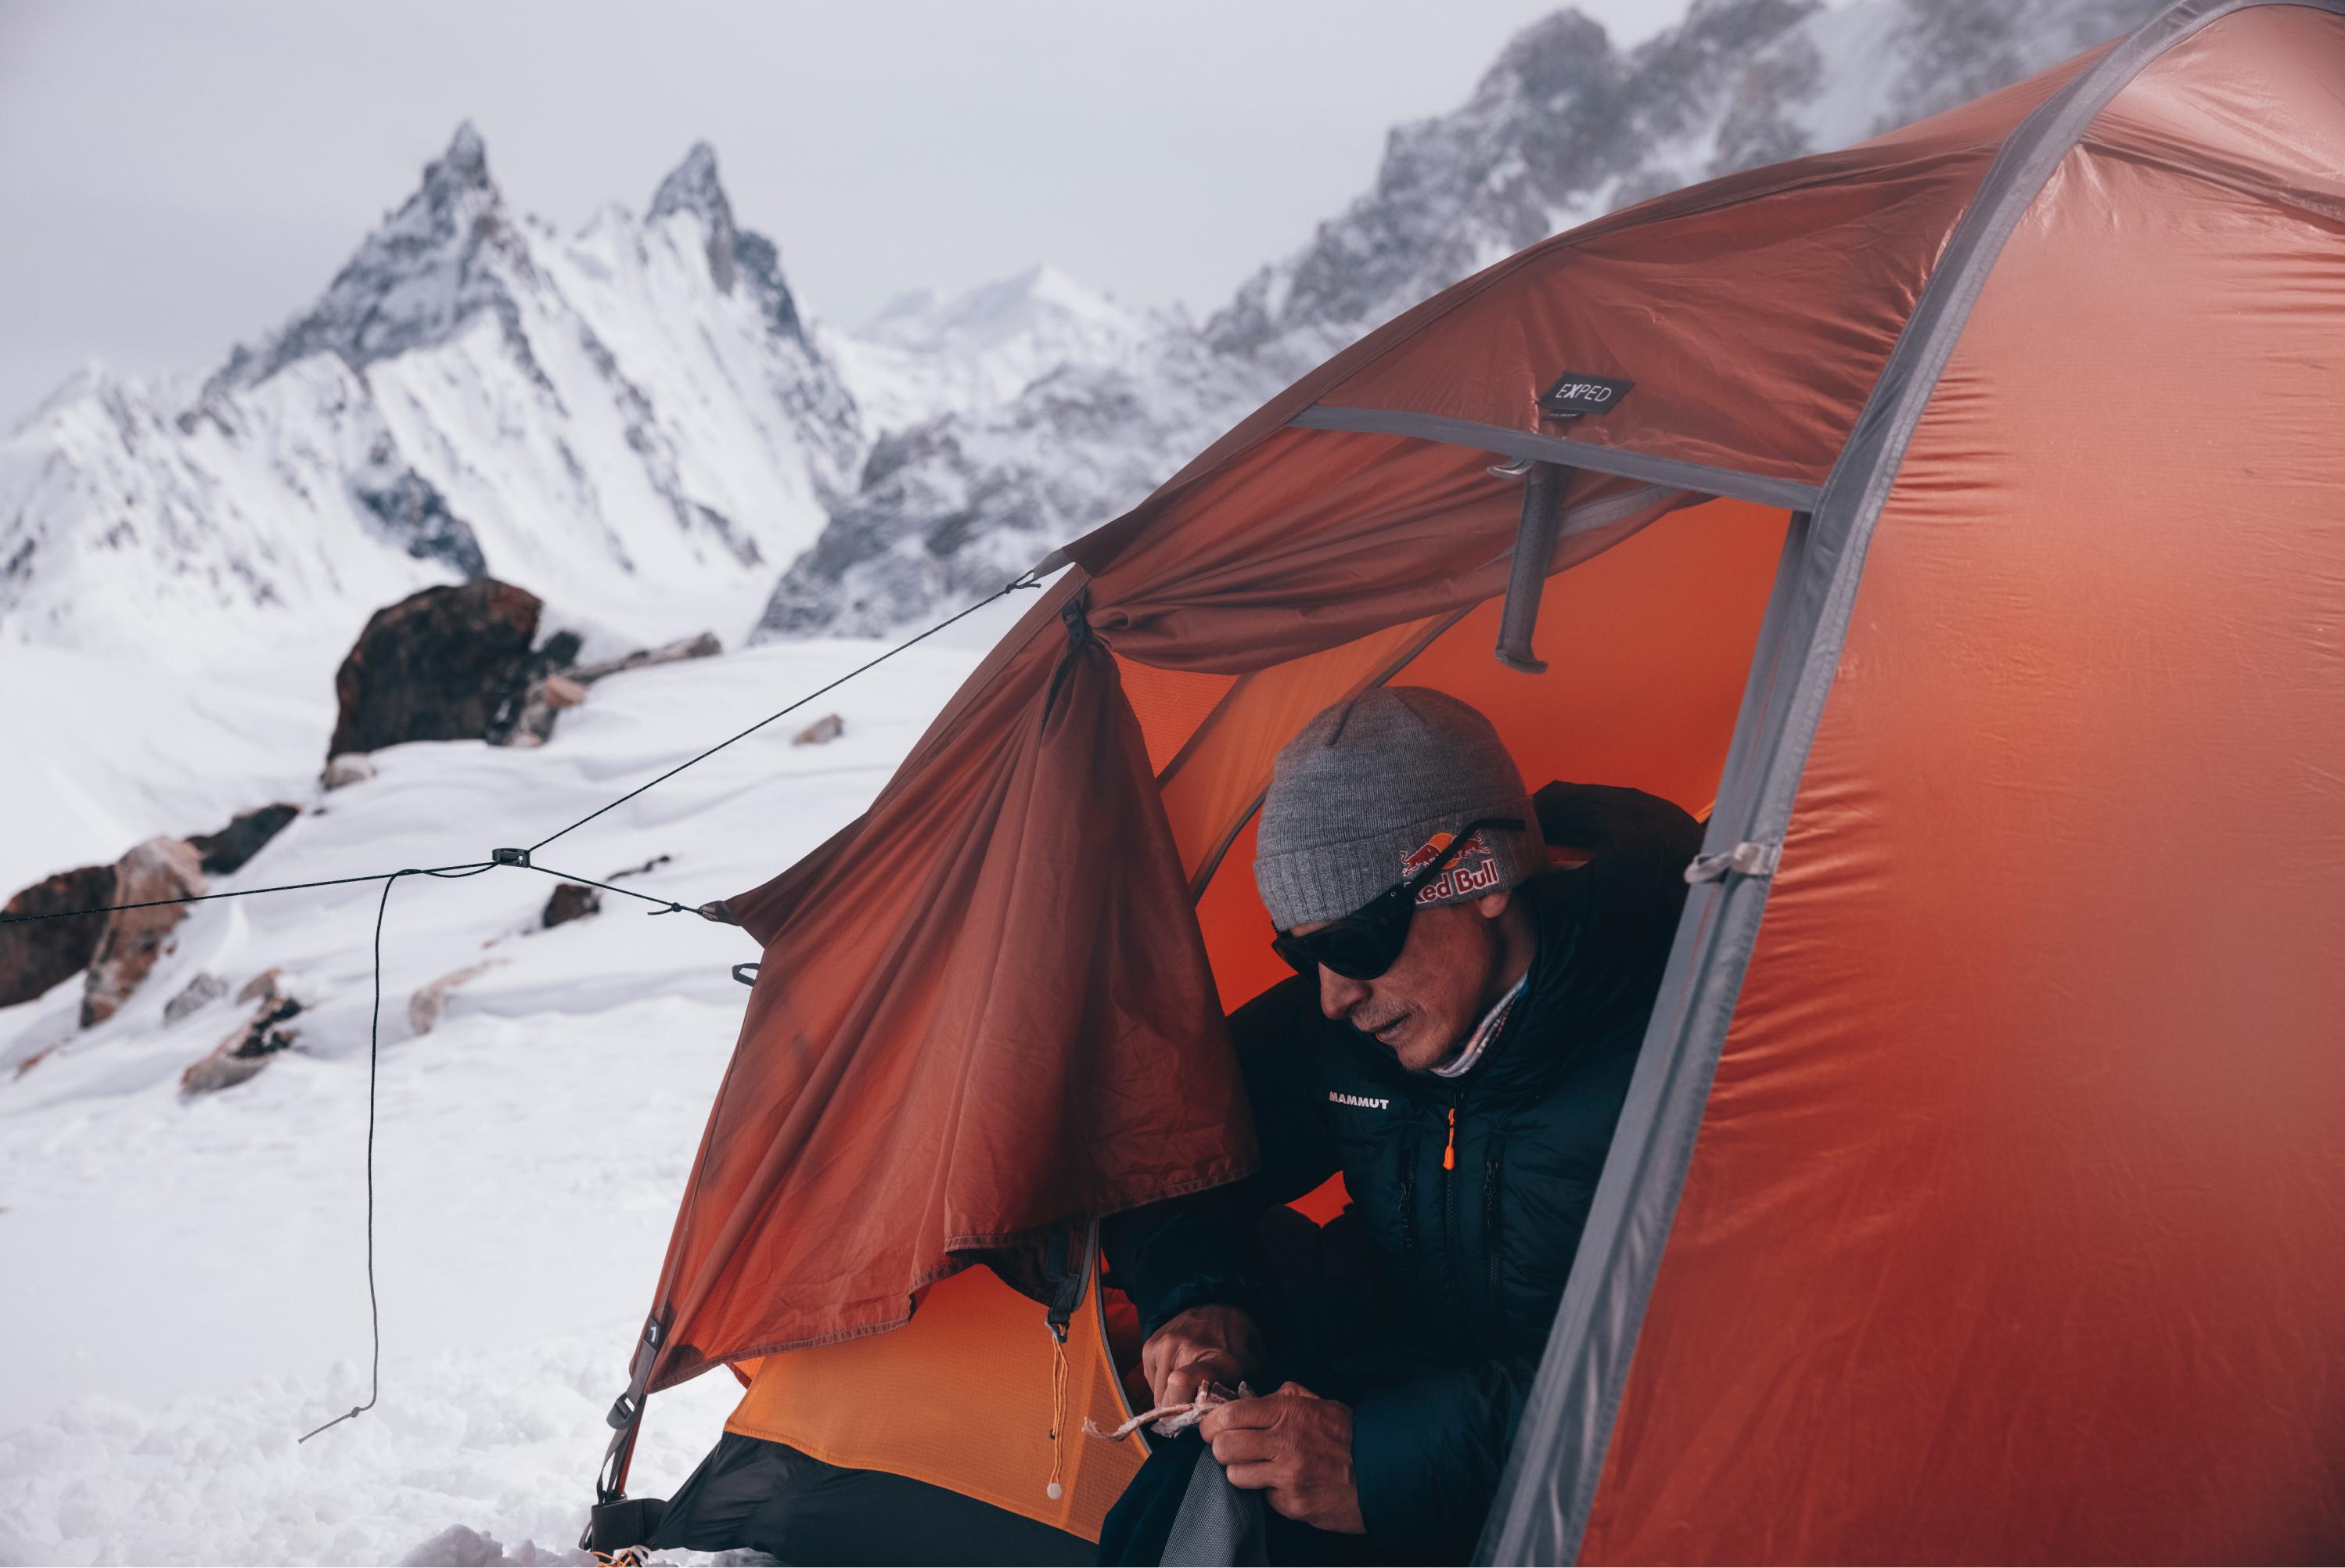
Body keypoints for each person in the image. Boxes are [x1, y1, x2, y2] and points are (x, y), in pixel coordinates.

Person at [1100, 687, 1699, 1564]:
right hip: (1403, 1409)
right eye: (1302, 955)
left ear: (1480, 875)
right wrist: (1203, 1300)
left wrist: (1383, 1464)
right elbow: (1173, 1150)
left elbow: (1737, 1377)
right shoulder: (1360, 1026)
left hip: (1617, 1493)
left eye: (1354, 942)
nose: (1333, 996)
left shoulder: (1698, 1024)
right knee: (1172, 1519)